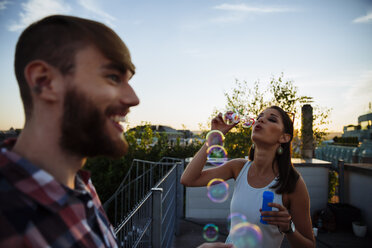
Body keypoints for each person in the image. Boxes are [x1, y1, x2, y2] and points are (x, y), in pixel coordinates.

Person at [0, 15, 232, 248]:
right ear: (45, 81)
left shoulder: (79, 186)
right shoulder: (10, 223)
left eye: (128, 80)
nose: (133, 99)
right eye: (113, 77)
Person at [181, 106, 316, 248]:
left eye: (271, 119)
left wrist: (289, 229)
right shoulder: (238, 167)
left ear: (284, 137)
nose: (261, 120)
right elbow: (188, 179)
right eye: (259, 117)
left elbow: (309, 245)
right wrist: (214, 137)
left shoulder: (292, 183)